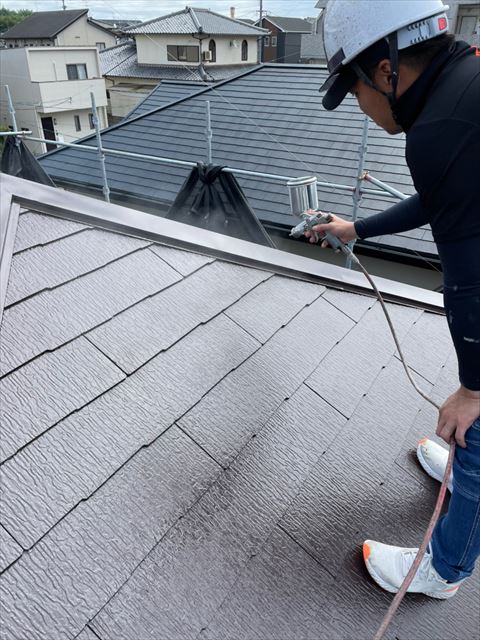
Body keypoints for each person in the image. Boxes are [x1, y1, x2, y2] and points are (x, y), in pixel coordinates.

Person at [308, 0, 480, 599]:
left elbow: (468, 280)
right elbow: (441, 199)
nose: (360, 106)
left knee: (477, 429)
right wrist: (357, 229)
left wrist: (473, 389)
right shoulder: (467, 79)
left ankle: (446, 569)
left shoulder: (440, 129)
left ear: (386, 69)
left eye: (355, 90)